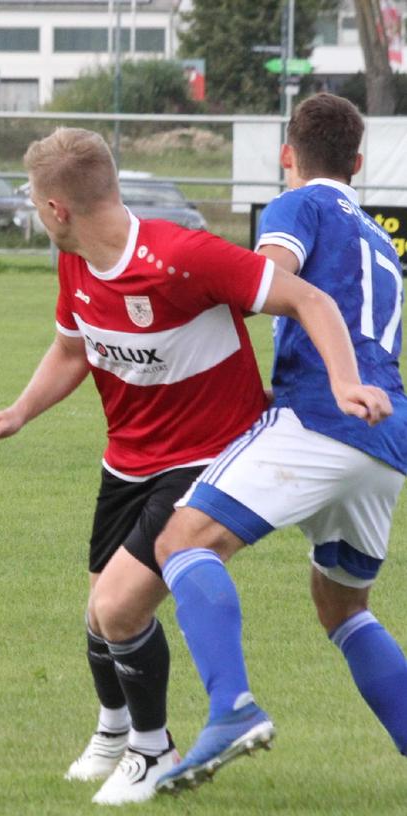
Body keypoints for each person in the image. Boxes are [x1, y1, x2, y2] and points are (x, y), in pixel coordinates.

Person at [0, 127, 374, 805]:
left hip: (207, 456)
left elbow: (308, 299)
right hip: (127, 457)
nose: (38, 216)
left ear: (57, 208)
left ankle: (153, 750)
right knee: (101, 613)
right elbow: (71, 351)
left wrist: (344, 382)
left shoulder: (182, 256)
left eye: (36, 204)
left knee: (118, 606)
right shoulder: (75, 261)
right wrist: (15, 413)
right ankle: (114, 731)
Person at [154, 93, 403, 793]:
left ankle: (230, 711)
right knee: (341, 606)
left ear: (287, 156)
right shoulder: (380, 238)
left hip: (321, 415)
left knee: (182, 543)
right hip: (384, 438)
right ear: (357, 162)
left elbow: (267, 280)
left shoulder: (298, 205)